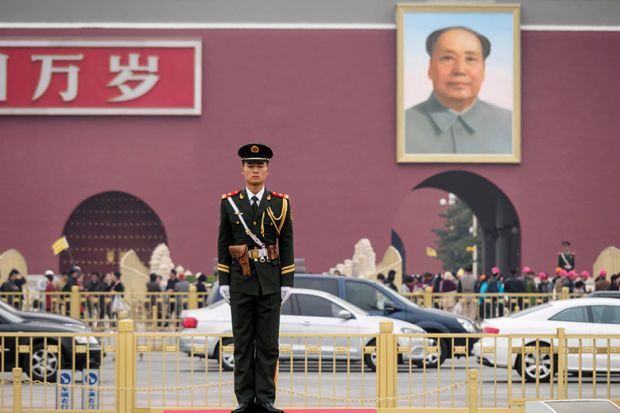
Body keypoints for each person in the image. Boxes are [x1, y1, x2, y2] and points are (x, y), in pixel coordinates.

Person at [217, 143, 294, 413]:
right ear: (242, 169)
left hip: (270, 282)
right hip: (240, 281)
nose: (255, 170)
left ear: (267, 170)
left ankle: (265, 399)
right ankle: (244, 400)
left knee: (268, 345)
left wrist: (288, 281)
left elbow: (286, 243)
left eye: (260, 166)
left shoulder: (281, 203)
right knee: (242, 343)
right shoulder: (229, 202)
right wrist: (223, 281)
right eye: (250, 165)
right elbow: (223, 242)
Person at [405, 26, 512, 155]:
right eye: (448, 58)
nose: (460, 70)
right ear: (430, 68)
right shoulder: (401, 125)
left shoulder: (512, 124)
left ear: (483, 70)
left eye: (471, 59)